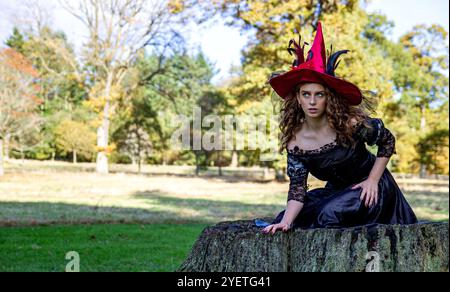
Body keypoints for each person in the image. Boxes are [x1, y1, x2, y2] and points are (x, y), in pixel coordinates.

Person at [262, 22, 417, 234]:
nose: (312, 101)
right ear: (297, 98)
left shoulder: (349, 124)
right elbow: (297, 190)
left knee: (328, 215)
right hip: (337, 191)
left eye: (319, 94)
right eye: (306, 94)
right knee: (292, 216)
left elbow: (387, 141)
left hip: (372, 188)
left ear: (328, 98)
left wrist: (372, 180)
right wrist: (286, 223)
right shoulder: (295, 142)